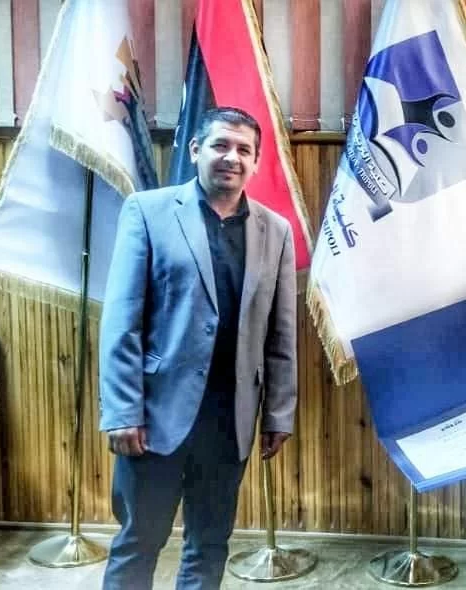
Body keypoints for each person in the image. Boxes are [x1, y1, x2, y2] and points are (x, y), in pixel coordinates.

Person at [98, 106, 298, 590]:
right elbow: (122, 320)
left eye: (244, 150)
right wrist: (122, 411)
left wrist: (278, 414)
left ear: (255, 161)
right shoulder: (147, 212)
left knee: (209, 546)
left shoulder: (276, 230)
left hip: (230, 423)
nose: (232, 157)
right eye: (220, 145)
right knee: (138, 543)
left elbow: (281, 334)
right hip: (156, 419)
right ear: (195, 150)